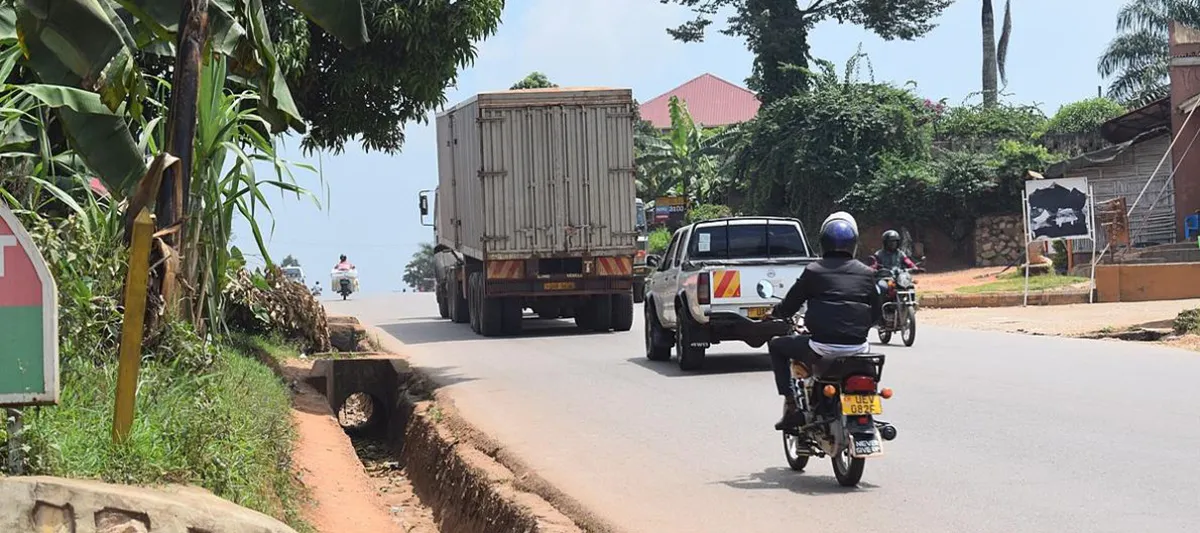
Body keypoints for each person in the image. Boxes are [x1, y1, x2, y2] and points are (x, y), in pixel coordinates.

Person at [765, 211, 883, 430]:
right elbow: (877, 315)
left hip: (821, 349)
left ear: (823, 243)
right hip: (859, 350)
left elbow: (790, 305)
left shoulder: (813, 270)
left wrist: (775, 313)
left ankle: (792, 405)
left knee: (776, 346)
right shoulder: (867, 273)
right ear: (853, 243)